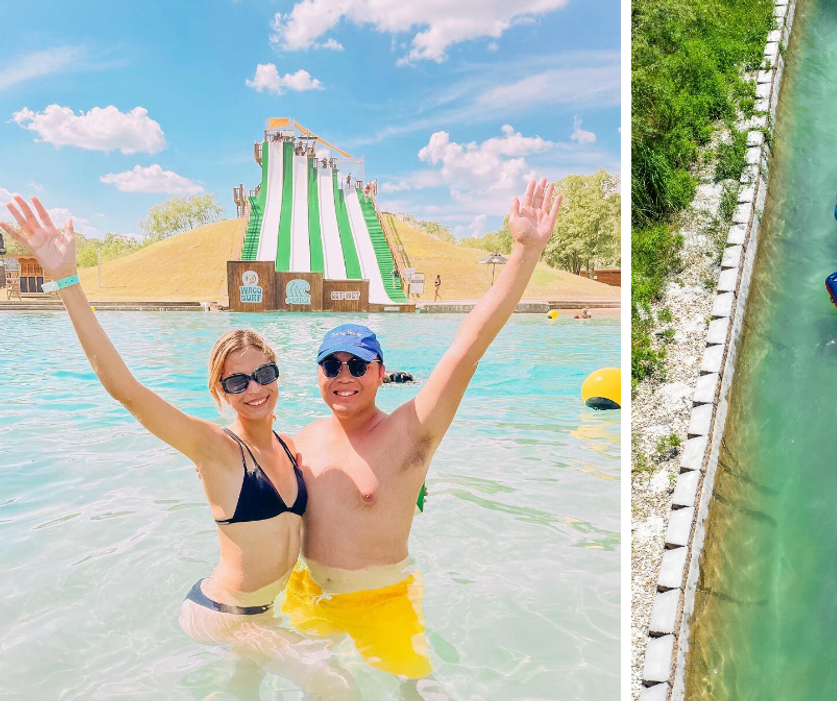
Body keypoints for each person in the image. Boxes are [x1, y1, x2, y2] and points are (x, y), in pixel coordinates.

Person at [1, 196, 357, 700]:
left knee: (245, 690)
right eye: (236, 383)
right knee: (333, 683)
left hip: (263, 612)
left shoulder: (290, 446)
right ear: (219, 393)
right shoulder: (214, 449)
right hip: (223, 615)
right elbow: (126, 390)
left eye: (263, 375)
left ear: (277, 376)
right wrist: (67, 281)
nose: (253, 389)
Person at [281, 179, 561, 692]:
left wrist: (526, 250)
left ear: (381, 373)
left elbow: (467, 346)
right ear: (319, 374)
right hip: (308, 591)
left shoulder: (410, 432)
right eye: (331, 365)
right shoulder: (301, 440)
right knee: (306, 686)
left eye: (357, 365)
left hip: (382, 595)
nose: (344, 375)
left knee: (412, 691)